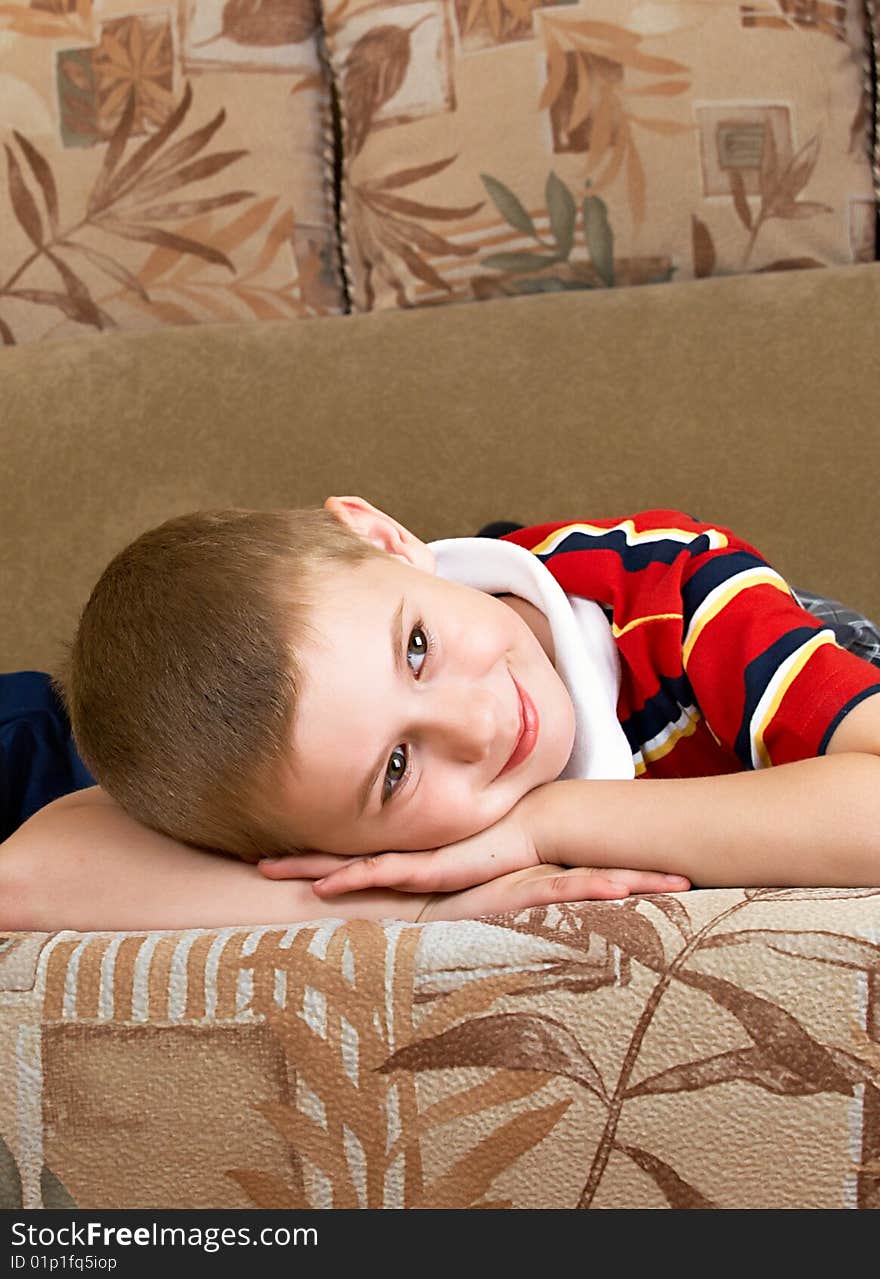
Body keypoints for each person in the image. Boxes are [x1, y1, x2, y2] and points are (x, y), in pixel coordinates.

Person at [1, 495, 879, 933]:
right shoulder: (311, 766)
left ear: (384, 539)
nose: (479, 723)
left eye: (417, 648)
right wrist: (404, 910)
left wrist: (551, 822)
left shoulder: (674, 593)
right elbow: (27, 874)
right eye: (396, 767)